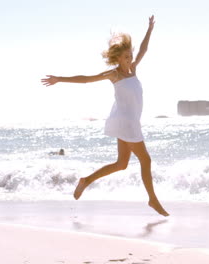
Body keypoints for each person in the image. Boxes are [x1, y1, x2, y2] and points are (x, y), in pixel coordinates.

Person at [41, 15, 169, 217]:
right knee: (146, 160)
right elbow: (86, 80)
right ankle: (152, 199)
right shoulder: (114, 74)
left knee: (121, 164)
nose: (129, 59)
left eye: (130, 55)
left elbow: (144, 49)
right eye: (125, 57)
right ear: (117, 58)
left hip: (127, 121)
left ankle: (86, 181)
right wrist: (60, 79)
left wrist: (150, 30)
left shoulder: (133, 70)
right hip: (127, 123)